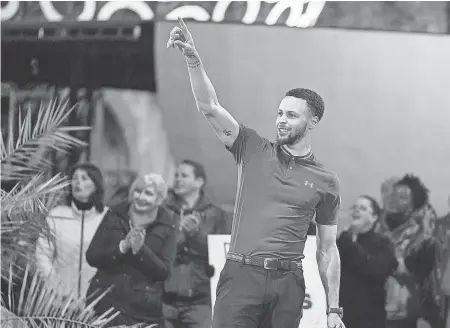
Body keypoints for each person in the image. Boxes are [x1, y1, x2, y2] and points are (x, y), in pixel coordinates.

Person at [167, 18, 345, 328]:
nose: (281, 120)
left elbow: (327, 249)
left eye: (291, 115)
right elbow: (209, 106)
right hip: (241, 276)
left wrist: (333, 310)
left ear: (312, 121)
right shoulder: (251, 147)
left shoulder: (326, 180)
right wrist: (194, 62)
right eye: (279, 113)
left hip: (289, 281)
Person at [86, 173, 177, 327]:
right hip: (105, 304)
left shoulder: (167, 225)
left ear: (159, 199)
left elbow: (164, 272)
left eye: (148, 193)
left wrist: (141, 251)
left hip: (143, 312)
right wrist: (121, 248)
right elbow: (92, 256)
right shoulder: (114, 214)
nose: (141, 197)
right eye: (138, 191)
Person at [163, 159, 231, 328]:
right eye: (176, 175)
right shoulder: (162, 211)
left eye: (184, 175)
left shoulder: (217, 215)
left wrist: (196, 236)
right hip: (164, 299)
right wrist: (181, 234)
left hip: (200, 302)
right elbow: (157, 249)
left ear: (199, 182)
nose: (178, 179)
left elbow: (222, 256)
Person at [35, 163, 108, 299]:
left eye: (84, 178)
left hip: (96, 302)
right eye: (74, 178)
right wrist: (57, 287)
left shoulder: (107, 218)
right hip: (58, 301)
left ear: (96, 184)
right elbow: (42, 255)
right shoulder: (57, 215)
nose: (78, 182)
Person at [376, 174, 438, 328]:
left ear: (412, 207)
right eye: (393, 193)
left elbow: (427, 283)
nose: (394, 199)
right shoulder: (371, 229)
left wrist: (427, 317)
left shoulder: (423, 240)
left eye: (402, 197)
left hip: (403, 317)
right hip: (368, 311)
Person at [338, 195, 398, 328]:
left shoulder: (383, 243)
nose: (356, 211)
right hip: (342, 316)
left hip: (370, 318)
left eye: (363, 208)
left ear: (374, 217)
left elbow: (378, 269)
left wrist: (350, 245)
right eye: (354, 207)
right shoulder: (341, 241)